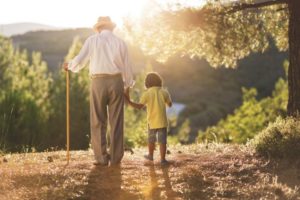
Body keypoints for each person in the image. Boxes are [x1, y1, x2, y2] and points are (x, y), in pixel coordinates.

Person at [63, 16, 134, 166]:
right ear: (111, 27)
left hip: (98, 82)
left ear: (99, 28)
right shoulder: (121, 43)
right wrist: (127, 86)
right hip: (116, 82)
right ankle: (115, 158)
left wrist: (69, 65)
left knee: (98, 120)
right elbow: (127, 68)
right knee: (116, 121)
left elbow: (80, 60)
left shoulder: (92, 40)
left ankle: (101, 158)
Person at [124, 72, 172, 165]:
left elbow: (139, 107)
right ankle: (163, 160)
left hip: (152, 122)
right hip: (162, 121)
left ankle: (150, 155)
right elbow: (170, 104)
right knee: (162, 141)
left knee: (151, 139)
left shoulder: (147, 94)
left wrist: (129, 102)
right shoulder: (164, 92)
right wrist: (165, 102)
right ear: (159, 81)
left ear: (147, 83)